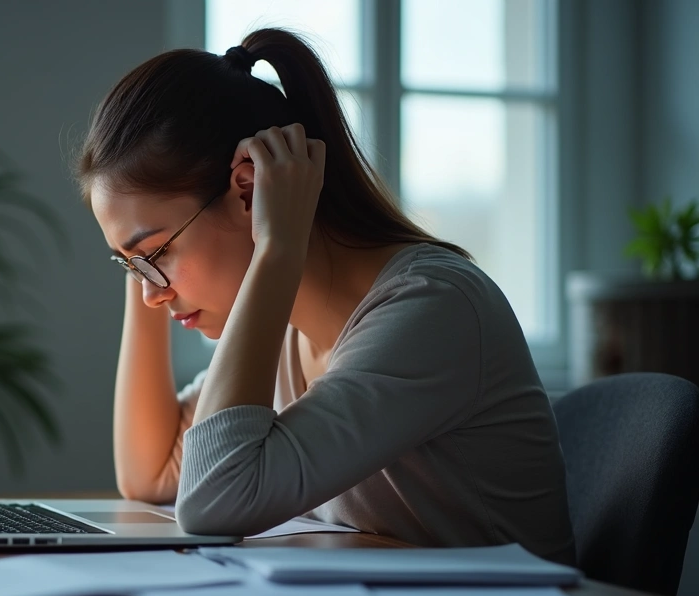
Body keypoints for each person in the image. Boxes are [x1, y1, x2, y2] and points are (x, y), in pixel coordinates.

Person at [76, 28, 575, 564]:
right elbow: (148, 473)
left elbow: (213, 501)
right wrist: (145, 259)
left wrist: (276, 248)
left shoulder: (433, 308)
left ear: (249, 191)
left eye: (155, 253)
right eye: (132, 266)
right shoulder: (291, 324)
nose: (151, 294)